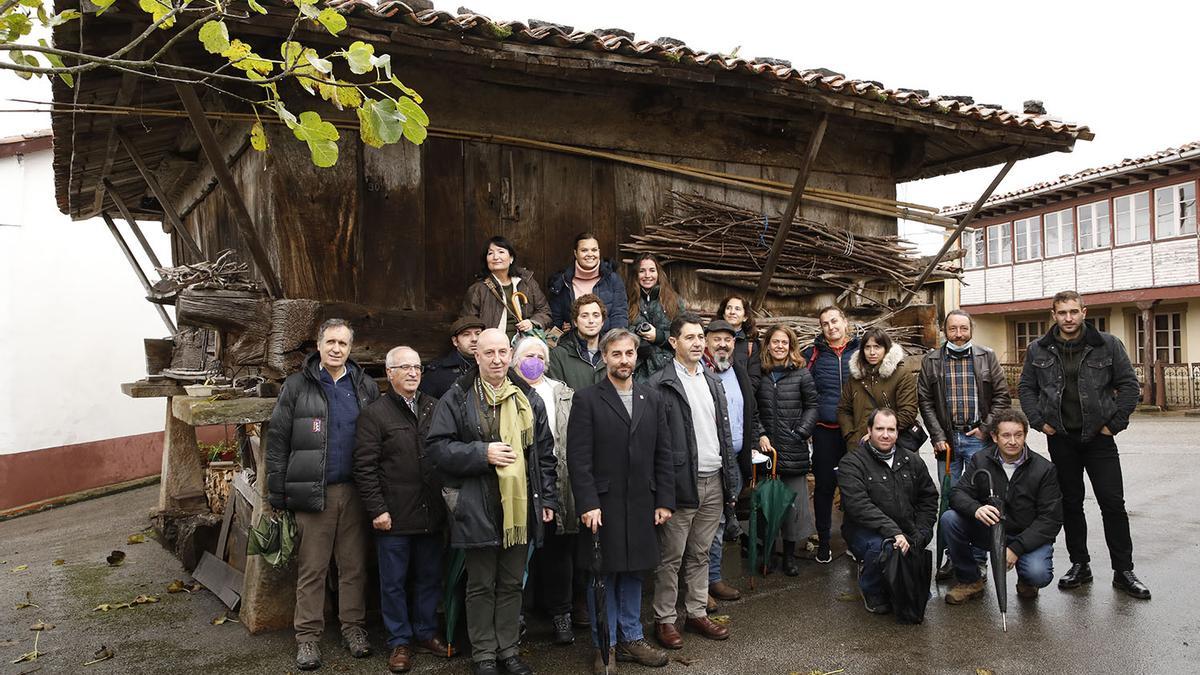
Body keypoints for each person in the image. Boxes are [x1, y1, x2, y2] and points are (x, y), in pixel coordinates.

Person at [426, 329, 559, 675]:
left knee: (513, 582)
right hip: (476, 504)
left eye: (503, 352)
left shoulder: (529, 398)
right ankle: (484, 654)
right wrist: (481, 453)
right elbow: (437, 449)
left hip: (519, 508)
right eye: (490, 353)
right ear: (477, 356)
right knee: (481, 584)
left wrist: (547, 499)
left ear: (510, 356)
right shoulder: (457, 398)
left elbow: (544, 456)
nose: (497, 359)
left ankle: (508, 651)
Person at [266, 319, 380, 671]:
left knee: (354, 568)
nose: (336, 348)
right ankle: (308, 639)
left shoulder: (363, 387)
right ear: (318, 345)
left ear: (350, 348)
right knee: (312, 569)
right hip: (315, 493)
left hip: (356, 492)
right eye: (330, 341)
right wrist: (277, 492)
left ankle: (353, 629)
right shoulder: (298, 386)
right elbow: (278, 440)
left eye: (343, 343)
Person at [1018, 290, 1148, 599]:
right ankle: (1080, 564)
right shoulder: (1039, 349)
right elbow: (1027, 387)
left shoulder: (1108, 344)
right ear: (1053, 315)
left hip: (1098, 439)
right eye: (1062, 313)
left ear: (1084, 312)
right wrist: (1038, 421)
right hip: (1062, 439)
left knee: (1112, 503)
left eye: (1073, 311)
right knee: (1070, 504)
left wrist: (1113, 424)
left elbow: (1129, 385)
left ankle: (1123, 570)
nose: (1068, 318)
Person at [568, 328, 675, 674]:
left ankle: (630, 639)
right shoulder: (587, 399)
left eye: (629, 353)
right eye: (616, 354)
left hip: (642, 501)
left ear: (636, 356)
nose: (624, 360)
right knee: (604, 574)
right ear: (604, 357)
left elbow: (664, 453)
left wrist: (664, 500)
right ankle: (605, 646)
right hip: (603, 504)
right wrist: (587, 503)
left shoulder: (651, 397)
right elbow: (578, 458)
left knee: (633, 573)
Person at [352, 346, 452, 672]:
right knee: (393, 582)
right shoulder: (375, 414)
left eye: (417, 368)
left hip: (430, 511)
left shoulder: (434, 408)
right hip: (393, 515)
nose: (413, 373)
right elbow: (365, 468)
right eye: (405, 367)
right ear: (389, 372)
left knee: (428, 577)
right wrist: (377, 510)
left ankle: (425, 631)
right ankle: (399, 641)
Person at [649, 314, 739, 649]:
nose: (699, 343)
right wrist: (661, 488)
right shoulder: (660, 384)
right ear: (673, 342)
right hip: (679, 481)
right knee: (671, 556)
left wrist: (728, 476)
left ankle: (697, 612)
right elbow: (655, 442)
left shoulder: (712, 380)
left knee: (701, 552)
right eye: (690, 337)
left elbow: (723, 433)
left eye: (701, 336)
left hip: (713, 478)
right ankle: (665, 619)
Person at [917, 309, 1011, 579]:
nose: (958, 334)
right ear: (944, 331)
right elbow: (926, 401)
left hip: (977, 441)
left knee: (981, 500)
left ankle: (979, 558)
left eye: (963, 328)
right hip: (947, 442)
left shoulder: (986, 356)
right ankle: (952, 557)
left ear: (971, 330)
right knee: (949, 500)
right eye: (953, 329)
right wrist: (937, 436)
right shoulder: (932, 360)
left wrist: (985, 429)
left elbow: (1002, 397)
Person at [942, 409, 1063, 604]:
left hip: (1025, 535)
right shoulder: (980, 460)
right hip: (990, 531)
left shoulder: (1044, 469)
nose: (1012, 441)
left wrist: (1016, 548)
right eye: (1006, 435)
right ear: (994, 437)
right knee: (950, 519)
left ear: (1025, 435)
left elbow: (1051, 519)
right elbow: (957, 494)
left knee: (1038, 573)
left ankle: (1027, 580)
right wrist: (976, 509)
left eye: (1018, 435)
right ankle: (970, 580)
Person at [837, 407, 939, 615]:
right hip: (866, 531)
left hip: (906, 529)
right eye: (880, 429)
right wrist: (893, 532)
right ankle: (871, 587)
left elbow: (928, 499)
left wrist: (921, 533)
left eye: (891, 429)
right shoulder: (852, 463)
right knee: (882, 548)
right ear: (869, 430)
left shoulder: (913, 461)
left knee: (915, 597)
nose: (885, 434)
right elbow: (859, 506)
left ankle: (899, 576)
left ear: (897, 432)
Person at [510, 337, 578, 645]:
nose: (533, 361)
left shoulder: (562, 393)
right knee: (518, 557)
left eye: (539, 355)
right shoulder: (506, 391)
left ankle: (561, 615)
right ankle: (518, 618)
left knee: (557, 554)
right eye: (527, 355)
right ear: (514, 360)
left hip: (555, 483)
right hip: (520, 486)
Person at [754, 324, 819, 576]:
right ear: (767, 345)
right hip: (767, 451)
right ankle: (767, 553)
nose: (779, 346)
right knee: (766, 505)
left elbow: (812, 406)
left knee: (792, 506)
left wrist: (801, 432)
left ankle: (789, 556)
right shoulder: (760, 374)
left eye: (784, 342)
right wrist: (760, 433)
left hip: (793, 448)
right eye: (775, 342)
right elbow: (754, 408)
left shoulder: (801, 374)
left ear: (791, 346)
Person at [701, 320, 755, 605]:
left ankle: (713, 578)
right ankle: (698, 588)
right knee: (702, 525)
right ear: (706, 341)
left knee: (722, 520)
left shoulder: (739, 372)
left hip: (733, 459)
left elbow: (749, 414)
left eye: (728, 340)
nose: (723, 344)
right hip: (707, 460)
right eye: (717, 339)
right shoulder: (699, 372)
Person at [800, 305, 860, 563]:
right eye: (825, 323)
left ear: (845, 322)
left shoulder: (860, 351)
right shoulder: (812, 354)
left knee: (855, 488)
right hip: (824, 430)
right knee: (824, 487)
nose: (831, 327)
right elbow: (803, 391)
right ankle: (824, 541)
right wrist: (808, 425)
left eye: (835, 321)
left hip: (855, 432)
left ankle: (854, 541)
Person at [837, 326, 918, 453]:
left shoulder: (901, 374)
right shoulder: (855, 377)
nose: (872, 352)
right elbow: (844, 409)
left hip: (893, 445)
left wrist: (878, 434)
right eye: (867, 347)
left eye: (877, 347)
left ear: (886, 349)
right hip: (860, 445)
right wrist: (850, 435)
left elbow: (908, 412)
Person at [462, 237, 551, 342]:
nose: (495, 257)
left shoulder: (527, 283)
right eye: (490, 253)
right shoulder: (478, 289)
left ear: (511, 258)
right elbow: (468, 323)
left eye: (501, 252)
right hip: (493, 346)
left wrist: (532, 322)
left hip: (525, 343)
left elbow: (545, 311)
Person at [548, 232, 629, 334]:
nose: (590, 254)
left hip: (607, 343)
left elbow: (619, 315)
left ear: (599, 252)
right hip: (573, 344)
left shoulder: (613, 279)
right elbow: (556, 320)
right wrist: (564, 331)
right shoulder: (563, 282)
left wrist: (614, 343)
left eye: (594, 250)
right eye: (584, 250)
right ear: (575, 253)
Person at [627, 253, 687, 381]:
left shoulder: (674, 302)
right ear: (635, 275)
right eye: (642, 271)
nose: (647, 275)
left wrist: (658, 336)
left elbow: (684, 336)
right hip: (637, 372)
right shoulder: (627, 302)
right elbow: (622, 331)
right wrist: (639, 339)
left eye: (652, 270)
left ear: (658, 273)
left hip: (669, 370)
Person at [547, 294, 607, 392]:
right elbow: (557, 397)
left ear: (602, 321)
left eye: (596, 315)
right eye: (584, 316)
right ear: (575, 321)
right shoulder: (558, 356)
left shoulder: (613, 352)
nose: (591, 321)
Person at [421, 316, 485, 400]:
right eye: (466, 334)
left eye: (478, 333)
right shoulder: (437, 373)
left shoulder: (495, 365)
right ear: (455, 341)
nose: (474, 339)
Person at [716, 294, 760, 383]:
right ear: (724, 314)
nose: (732, 312)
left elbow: (754, 378)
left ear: (745, 317)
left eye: (737, 309)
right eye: (728, 308)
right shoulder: (712, 340)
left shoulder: (751, 344)